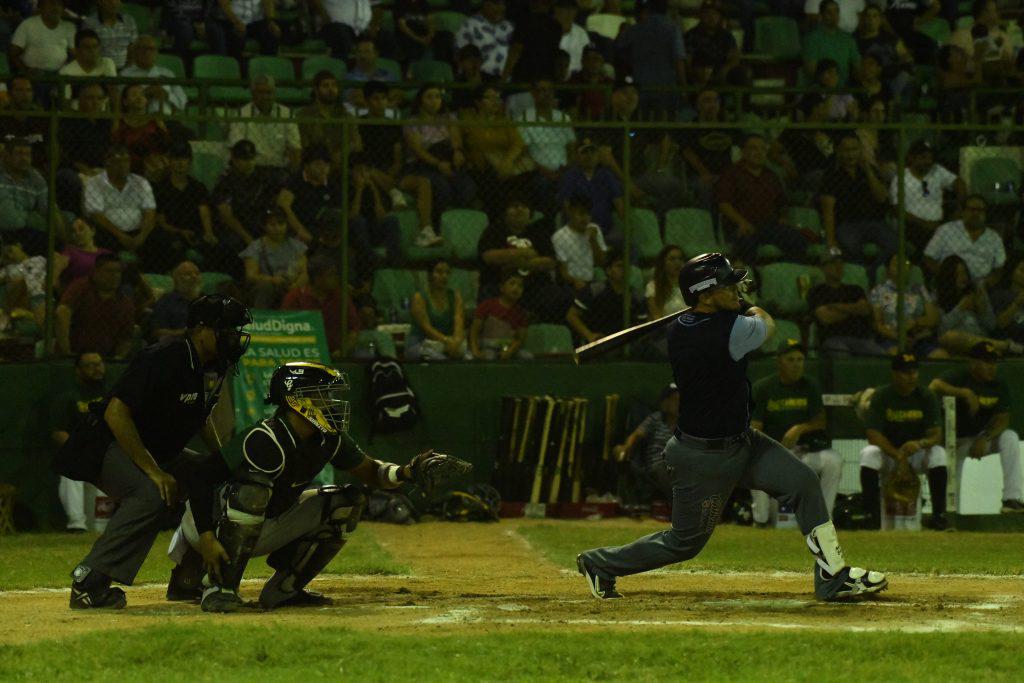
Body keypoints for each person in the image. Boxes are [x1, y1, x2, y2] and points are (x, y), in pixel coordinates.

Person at [576, 252, 887, 601]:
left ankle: (833, 576)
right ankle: (601, 563)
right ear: (706, 294)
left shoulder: (682, 327)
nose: (736, 288)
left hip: (743, 443)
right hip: (704, 458)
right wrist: (748, 304)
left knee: (803, 482)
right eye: (727, 285)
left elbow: (722, 317)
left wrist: (730, 301)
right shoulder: (727, 331)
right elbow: (767, 324)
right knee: (684, 543)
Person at [165, 361, 463, 611]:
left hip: (264, 522)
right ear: (296, 400)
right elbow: (200, 477)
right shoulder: (265, 438)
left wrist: (408, 472)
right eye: (321, 395)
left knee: (347, 501)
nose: (330, 403)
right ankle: (219, 589)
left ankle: (286, 589)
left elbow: (371, 472)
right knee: (253, 491)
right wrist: (204, 537)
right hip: (210, 522)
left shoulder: (327, 437)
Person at [55, 295, 251, 609]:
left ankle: (188, 578)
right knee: (152, 492)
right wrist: (154, 471)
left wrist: (223, 461)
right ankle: (89, 581)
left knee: (213, 479)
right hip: (104, 442)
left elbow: (201, 417)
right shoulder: (165, 356)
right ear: (201, 329)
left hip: (157, 447)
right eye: (225, 329)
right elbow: (116, 414)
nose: (232, 336)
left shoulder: (216, 363)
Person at [750, 339, 843, 526]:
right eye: (790, 359)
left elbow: (820, 421)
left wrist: (800, 428)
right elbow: (754, 428)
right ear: (779, 361)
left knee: (834, 461)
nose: (796, 365)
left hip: (804, 451)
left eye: (800, 360)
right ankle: (760, 520)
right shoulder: (764, 387)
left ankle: (823, 521)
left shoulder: (810, 386)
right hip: (773, 453)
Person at [929, 341, 1024, 514]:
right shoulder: (960, 376)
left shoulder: (998, 384)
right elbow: (934, 385)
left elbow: (1003, 419)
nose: (992, 367)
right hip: (954, 442)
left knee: (1010, 436)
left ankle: (1011, 499)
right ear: (973, 362)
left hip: (979, 438)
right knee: (951, 502)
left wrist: (985, 437)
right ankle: (948, 517)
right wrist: (963, 393)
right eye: (987, 362)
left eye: (994, 362)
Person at [859, 352, 950, 530]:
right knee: (868, 454)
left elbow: (936, 434)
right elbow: (872, 434)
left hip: (915, 453)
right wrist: (898, 456)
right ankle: (871, 516)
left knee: (939, 454)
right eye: (905, 372)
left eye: (914, 371)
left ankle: (939, 516)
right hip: (889, 453)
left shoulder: (926, 396)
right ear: (894, 373)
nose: (911, 376)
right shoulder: (882, 395)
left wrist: (920, 443)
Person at [352, 80, 437, 248]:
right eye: (376, 99)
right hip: (370, 171)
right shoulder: (358, 123)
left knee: (424, 183)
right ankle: (393, 191)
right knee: (367, 170)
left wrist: (395, 169)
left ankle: (426, 231)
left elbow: (398, 156)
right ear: (367, 101)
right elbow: (359, 151)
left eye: (384, 99)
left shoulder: (393, 125)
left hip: (393, 173)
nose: (381, 103)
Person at [717, 134, 808, 261]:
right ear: (744, 151)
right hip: (742, 227)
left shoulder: (771, 176)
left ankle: (786, 274)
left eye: (762, 149)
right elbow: (724, 204)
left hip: (770, 226)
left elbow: (782, 203)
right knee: (746, 244)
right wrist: (741, 222)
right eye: (754, 148)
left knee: (798, 240)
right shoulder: (731, 174)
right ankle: (751, 278)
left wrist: (782, 218)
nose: (759, 153)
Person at [50, 351, 108, 533]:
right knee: (70, 475)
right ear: (78, 370)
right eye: (90, 365)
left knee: (110, 477)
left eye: (99, 364)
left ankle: (101, 528)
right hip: (78, 452)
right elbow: (58, 432)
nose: (96, 369)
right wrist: (79, 450)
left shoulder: (111, 394)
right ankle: (77, 526)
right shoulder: (68, 397)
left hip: (105, 452)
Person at [403, 85, 475, 229]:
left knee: (467, 188)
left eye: (437, 97)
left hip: (449, 159)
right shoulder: (413, 122)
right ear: (421, 100)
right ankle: (436, 226)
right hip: (425, 162)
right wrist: (437, 164)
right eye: (429, 97)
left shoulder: (448, 118)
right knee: (442, 189)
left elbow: (456, 140)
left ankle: (457, 227)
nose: (434, 101)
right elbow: (417, 149)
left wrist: (457, 152)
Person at [478, 195, 559, 318]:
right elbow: (487, 256)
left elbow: (551, 261)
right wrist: (523, 253)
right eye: (514, 206)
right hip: (499, 286)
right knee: (489, 292)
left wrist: (521, 264)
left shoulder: (538, 232)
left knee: (556, 294)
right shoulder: (494, 230)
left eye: (524, 207)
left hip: (534, 288)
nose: (520, 209)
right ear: (505, 212)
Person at [819, 133, 893, 263]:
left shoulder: (869, 171)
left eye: (855, 149)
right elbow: (828, 210)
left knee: (895, 245)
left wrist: (868, 171)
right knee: (851, 247)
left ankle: (874, 273)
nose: (851, 154)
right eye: (847, 150)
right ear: (838, 151)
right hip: (847, 224)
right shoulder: (831, 175)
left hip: (873, 222)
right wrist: (830, 241)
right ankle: (862, 277)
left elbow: (882, 198)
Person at [933, 255, 1020, 356]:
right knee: (951, 336)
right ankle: (1008, 346)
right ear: (948, 277)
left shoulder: (977, 292)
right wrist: (960, 308)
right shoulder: (938, 297)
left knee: (989, 353)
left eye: (964, 272)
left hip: (983, 345)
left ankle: (1006, 348)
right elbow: (941, 331)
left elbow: (991, 326)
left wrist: (982, 310)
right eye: (957, 274)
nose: (963, 277)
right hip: (955, 346)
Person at [889, 140, 966, 253]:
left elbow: (959, 183)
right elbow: (896, 209)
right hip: (912, 226)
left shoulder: (937, 170)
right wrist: (925, 224)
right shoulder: (901, 177)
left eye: (931, 157)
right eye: (923, 157)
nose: (928, 161)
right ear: (911, 158)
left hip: (938, 226)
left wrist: (960, 207)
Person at [82, 144, 157, 261]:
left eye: (126, 161)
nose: (123, 165)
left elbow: (150, 211)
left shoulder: (140, 182)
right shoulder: (95, 183)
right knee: (101, 239)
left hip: (138, 231)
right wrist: (122, 236)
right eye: (118, 162)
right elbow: (96, 216)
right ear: (108, 163)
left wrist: (142, 235)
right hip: (110, 233)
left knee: (159, 238)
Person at [55, 253, 135, 359]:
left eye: (118, 271)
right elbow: (62, 312)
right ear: (96, 272)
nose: (115, 276)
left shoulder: (125, 303)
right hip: (75, 355)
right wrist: (67, 353)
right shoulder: (80, 288)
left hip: (104, 359)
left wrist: (117, 359)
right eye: (109, 271)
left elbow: (126, 339)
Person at [614, 0, 687, 117]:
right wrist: (684, 87)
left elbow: (620, 55)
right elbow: (678, 60)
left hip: (640, 87)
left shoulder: (634, 29)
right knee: (664, 122)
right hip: (666, 88)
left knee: (642, 124)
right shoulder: (672, 29)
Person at [281, 253, 359, 358]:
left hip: (337, 354)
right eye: (331, 275)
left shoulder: (340, 296)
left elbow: (354, 330)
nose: (336, 278)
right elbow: (285, 331)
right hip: (304, 355)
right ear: (317, 278)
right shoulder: (296, 297)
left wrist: (342, 352)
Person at [869, 253, 946, 358]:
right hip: (892, 339)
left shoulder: (920, 289)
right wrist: (897, 336)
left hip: (919, 339)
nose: (901, 266)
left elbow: (933, 318)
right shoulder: (878, 291)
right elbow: (877, 323)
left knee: (940, 355)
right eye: (896, 263)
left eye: (905, 263)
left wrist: (915, 322)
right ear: (888, 270)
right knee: (895, 355)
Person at [153, 142, 216, 270]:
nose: (180, 163)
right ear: (169, 161)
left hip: (195, 232)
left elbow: (204, 211)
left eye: (184, 159)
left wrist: (208, 233)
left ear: (190, 161)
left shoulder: (198, 187)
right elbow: (161, 222)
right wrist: (180, 232)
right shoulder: (160, 188)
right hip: (172, 234)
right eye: (176, 159)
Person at [809, 252, 885, 355]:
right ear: (823, 268)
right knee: (841, 355)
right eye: (833, 264)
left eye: (841, 263)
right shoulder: (817, 291)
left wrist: (837, 307)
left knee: (881, 355)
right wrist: (854, 309)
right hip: (833, 338)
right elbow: (825, 317)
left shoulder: (855, 289)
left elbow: (865, 310)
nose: (838, 267)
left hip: (861, 338)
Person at [613, 383, 678, 504]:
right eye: (671, 399)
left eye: (677, 399)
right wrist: (625, 448)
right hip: (659, 464)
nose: (675, 403)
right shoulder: (656, 419)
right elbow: (636, 435)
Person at [566, 248, 644, 344]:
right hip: (599, 344)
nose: (624, 270)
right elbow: (571, 315)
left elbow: (641, 323)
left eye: (627, 266)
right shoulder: (594, 290)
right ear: (608, 270)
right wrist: (589, 335)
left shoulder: (635, 296)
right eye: (619, 266)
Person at [923, 195, 1004, 286]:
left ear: (985, 214)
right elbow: (928, 258)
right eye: (971, 209)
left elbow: (999, 268)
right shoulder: (946, 230)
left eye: (980, 210)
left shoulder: (994, 237)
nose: (975, 214)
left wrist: (986, 284)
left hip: (982, 288)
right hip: (950, 285)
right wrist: (945, 276)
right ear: (963, 212)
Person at [680, 89, 736, 210]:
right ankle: (708, 223)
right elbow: (687, 152)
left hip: (727, 175)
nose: (713, 104)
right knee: (706, 187)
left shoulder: (728, 126)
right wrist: (705, 173)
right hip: (700, 176)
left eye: (716, 101)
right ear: (698, 105)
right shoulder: (691, 128)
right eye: (707, 101)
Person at [241, 207, 307, 308]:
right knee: (265, 288)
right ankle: (260, 319)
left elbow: (305, 271)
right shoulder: (256, 247)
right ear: (264, 226)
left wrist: (295, 286)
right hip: (268, 286)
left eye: (281, 224)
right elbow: (251, 276)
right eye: (272, 224)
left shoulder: (296, 246)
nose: (277, 228)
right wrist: (272, 280)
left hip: (292, 285)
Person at [556, 137, 623, 238]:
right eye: (584, 152)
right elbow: (566, 204)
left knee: (626, 244)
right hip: (579, 230)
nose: (589, 155)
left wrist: (626, 223)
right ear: (577, 156)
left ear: (598, 155)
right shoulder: (570, 176)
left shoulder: (606, 175)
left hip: (605, 229)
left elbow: (618, 203)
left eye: (593, 151)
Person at [0, 136, 54, 255]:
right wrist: (30, 216)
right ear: (7, 156)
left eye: (27, 154)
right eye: (19, 154)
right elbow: (6, 217)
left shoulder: (35, 178)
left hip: (25, 230)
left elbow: (46, 208)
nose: (24, 158)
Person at [407, 259, 468, 361]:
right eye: (439, 272)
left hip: (447, 344)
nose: (444, 276)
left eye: (447, 273)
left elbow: (459, 323)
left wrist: (456, 342)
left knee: (468, 358)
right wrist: (446, 341)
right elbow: (426, 328)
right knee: (440, 360)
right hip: (421, 343)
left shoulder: (455, 296)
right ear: (430, 275)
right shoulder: (419, 298)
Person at [552, 194, 608, 294]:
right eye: (581, 214)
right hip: (569, 284)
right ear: (570, 213)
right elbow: (563, 272)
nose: (585, 218)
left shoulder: (594, 230)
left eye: (588, 214)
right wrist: (575, 281)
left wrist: (593, 240)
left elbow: (602, 262)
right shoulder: (560, 236)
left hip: (591, 281)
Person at [120, 35, 189, 115]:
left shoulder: (167, 73)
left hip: (167, 121)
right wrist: (145, 95)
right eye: (143, 48)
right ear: (134, 51)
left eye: (151, 49)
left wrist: (167, 95)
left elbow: (182, 103)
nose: (147, 52)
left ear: (156, 52)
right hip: (139, 122)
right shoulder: (125, 74)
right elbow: (121, 104)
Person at [470, 270, 531, 360]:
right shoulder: (487, 305)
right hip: (488, 347)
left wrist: (510, 351)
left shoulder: (521, 313)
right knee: (489, 357)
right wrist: (475, 351)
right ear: (502, 287)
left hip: (509, 348)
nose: (516, 288)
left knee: (527, 356)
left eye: (520, 286)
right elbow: (474, 332)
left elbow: (519, 338)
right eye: (512, 283)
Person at [802, 0, 861, 86]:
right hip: (820, 91)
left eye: (836, 11)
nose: (833, 15)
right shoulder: (812, 39)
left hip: (844, 91)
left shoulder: (848, 38)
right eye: (829, 12)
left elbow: (857, 66)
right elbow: (811, 70)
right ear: (821, 15)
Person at [9, 0, 75, 75]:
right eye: (51, 3)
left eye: (59, 4)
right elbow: (13, 54)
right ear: (41, 6)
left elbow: (75, 54)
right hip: (34, 77)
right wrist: (26, 71)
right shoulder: (28, 24)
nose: (55, 7)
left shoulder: (69, 27)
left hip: (60, 76)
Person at [685, 1, 743, 86]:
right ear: (700, 15)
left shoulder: (726, 35)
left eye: (715, 14)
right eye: (707, 13)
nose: (711, 17)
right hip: (698, 77)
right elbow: (686, 61)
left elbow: (735, 57)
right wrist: (694, 74)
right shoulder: (691, 35)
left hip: (720, 77)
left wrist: (725, 70)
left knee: (743, 74)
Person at [296, 71, 348, 166]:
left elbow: (356, 143)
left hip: (341, 164)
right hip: (314, 163)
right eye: (326, 86)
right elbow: (303, 144)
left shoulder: (346, 115)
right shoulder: (304, 115)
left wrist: (342, 152)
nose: (331, 89)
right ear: (316, 90)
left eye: (334, 85)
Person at [455, 0, 514, 78]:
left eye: (503, 4)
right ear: (485, 3)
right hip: (480, 82)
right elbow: (460, 57)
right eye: (496, 3)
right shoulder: (469, 25)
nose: (501, 8)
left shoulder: (510, 27)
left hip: (508, 82)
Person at [58, 28, 117, 103]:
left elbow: (114, 93)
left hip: (103, 113)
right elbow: (65, 103)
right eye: (87, 47)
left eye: (95, 46)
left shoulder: (107, 63)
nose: (92, 51)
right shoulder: (66, 72)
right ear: (77, 50)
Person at [150, 260, 203, 342]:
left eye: (197, 273)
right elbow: (159, 332)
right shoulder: (166, 302)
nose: (194, 276)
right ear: (176, 279)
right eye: (187, 274)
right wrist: (187, 332)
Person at [212, 0, 280, 60]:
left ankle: (266, 68)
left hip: (255, 21)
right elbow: (224, 5)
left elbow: (268, 2)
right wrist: (236, 22)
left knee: (271, 34)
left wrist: (271, 21)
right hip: (232, 21)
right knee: (237, 37)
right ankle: (237, 68)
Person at [83, 0, 138, 69]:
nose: (113, 3)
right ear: (100, 1)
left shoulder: (129, 20)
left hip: (126, 70)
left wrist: (126, 71)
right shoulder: (90, 23)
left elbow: (134, 49)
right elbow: (89, 51)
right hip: (101, 70)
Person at [646, 245, 685, 320]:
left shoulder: (689, 284)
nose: (677, 263)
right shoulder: (653, 286)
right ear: (663, 263)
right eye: (672, 259)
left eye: (680, 259)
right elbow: (657, 317)